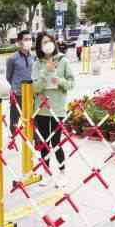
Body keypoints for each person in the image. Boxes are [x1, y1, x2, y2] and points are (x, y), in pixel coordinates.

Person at [32, 32, 75, 188]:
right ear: (39, 46)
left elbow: (71, 83)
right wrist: (46, 72)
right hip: (42, 108)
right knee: (44, 143)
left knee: (56, 142)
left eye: (49, 41)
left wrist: (60, 80)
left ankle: (62, 173)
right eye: (43, 42)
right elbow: (35, 88)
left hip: (57, 109)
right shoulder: (37, 64)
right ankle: (45, 172)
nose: (47, 45)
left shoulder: (63, 61)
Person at [6, 30, 36, 136]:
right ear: (19, 42)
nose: (29, 41)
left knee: (32, 117)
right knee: (14, 118)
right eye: (26, 39)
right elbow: (8, 77)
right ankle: (13, 137)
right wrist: (15, 87)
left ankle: (35, 139)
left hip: (31, 93)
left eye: (30, 39)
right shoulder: (12, 59)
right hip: (17, 94)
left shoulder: (33, 57)